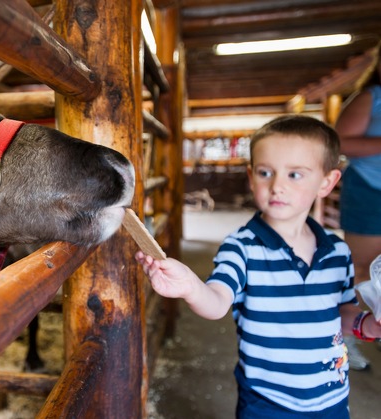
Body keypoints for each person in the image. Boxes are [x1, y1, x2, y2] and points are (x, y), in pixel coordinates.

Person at [136, 115, 381, 418]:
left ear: (327, 182)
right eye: (266, 172)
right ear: (251, 178)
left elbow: (341, 316)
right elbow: (217, 302)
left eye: (295, 175)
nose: (277, 185)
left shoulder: (338, 252)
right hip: (265, 403)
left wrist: (369, 325)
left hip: (331, 398)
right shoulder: (242, 248)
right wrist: (190, 286)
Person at [335, 61, 381, 369]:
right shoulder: (371, 97)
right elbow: (339, 141)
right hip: (370, 189)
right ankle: (349, 339)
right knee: (363, 268)